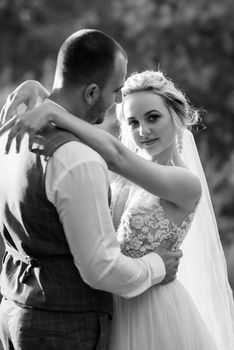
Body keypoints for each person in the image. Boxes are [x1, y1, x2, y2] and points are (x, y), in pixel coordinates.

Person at [2, 70, 234, 349]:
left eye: (153, 117)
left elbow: (116, 156)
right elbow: (100, 144)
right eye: (133, 122)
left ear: (177, 117)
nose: (143, 131)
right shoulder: (126, 174)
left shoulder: (185, 182)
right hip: (111, 298)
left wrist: (52, 109)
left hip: (152, 310)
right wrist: (38, 90)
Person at [0, 30, 183, 350]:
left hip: (15, 310)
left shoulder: (14, 130)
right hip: (63, 328)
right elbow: (101, 268)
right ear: (91, 92)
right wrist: (157, 266)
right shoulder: (78, 159)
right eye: (115, 91)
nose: (116, 102)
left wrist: (42, 95)